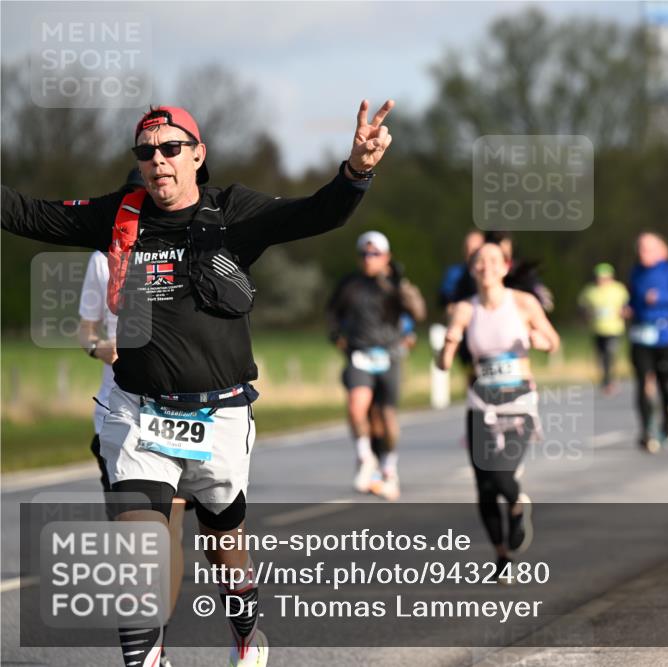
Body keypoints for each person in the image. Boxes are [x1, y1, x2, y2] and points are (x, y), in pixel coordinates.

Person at [2, 100, 393, 667]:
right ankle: (147, 657)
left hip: (220, 417)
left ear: (197, 154)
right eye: (145, 152)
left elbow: (317, 213)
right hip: (136, 415)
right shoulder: (118, 216)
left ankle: (245, 626)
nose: (157, 161)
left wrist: (356, 170)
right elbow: (27, 213)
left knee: (223, 543)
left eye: (170, 149)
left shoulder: (231, 211)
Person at [77, 170, 185, 667]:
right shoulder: (103, 260)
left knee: (170, 532)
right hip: (119, 412)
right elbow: (87, 332)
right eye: (132, 204)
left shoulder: (184, 254)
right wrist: (110, 351)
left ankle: (154, 642)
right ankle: (147, 651)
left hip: (181, 413)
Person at [436, 241, 560, 580]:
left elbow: (553, 340)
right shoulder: (464, 308)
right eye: (479, 260)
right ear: (472, 268)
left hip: (518, 400)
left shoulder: (523, 303)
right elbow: (444, 364)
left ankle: (519, 505)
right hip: (481, 403)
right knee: (484, 486)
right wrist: (448, 343)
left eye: (493, 260)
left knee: (501, 475)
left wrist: (540, 341)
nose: (486, 265)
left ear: (505, 266)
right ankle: (503, 557)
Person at [327, 231, 425, 501]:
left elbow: (418, 312)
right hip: (359, 354)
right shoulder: (350, 284)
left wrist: (402, 285)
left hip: (390, 356)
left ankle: (388, 467)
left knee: (385, 418)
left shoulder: (394, 285)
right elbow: (333, 314)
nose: (369, 259)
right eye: (365, 254)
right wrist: (337, 338)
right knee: (356, 406)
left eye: (375, 254)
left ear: (387, 257)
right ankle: (364, 456)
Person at [626, 232, 668, 452]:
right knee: (642, 382)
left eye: (647, 248)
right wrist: (628, 309)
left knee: (664, 382)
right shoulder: (635, 272)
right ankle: (647, 429)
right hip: (640, 334)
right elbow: (633, 300)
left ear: (660, 250)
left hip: (664, 336)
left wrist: (662, 298)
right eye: (639, 248)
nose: (642, 252)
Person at [577, 263, 629, 394]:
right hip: (597, 329)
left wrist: (624, 312)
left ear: (611, 277)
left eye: (605, 277)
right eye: (599, 277)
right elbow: (582, 308)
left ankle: (610, 381)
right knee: (600, 356)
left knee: (610, 354)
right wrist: (587, 315)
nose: (601, 280)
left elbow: (627, 307)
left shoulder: (619, 289)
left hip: (614, 329)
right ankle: (605, 380)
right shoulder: (589, 291)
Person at [439, 230, 484, 307]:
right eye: (468, 248)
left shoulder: (488, 272)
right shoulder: (454, 273)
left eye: (475, 250)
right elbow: (444, 299)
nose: (470, 253)